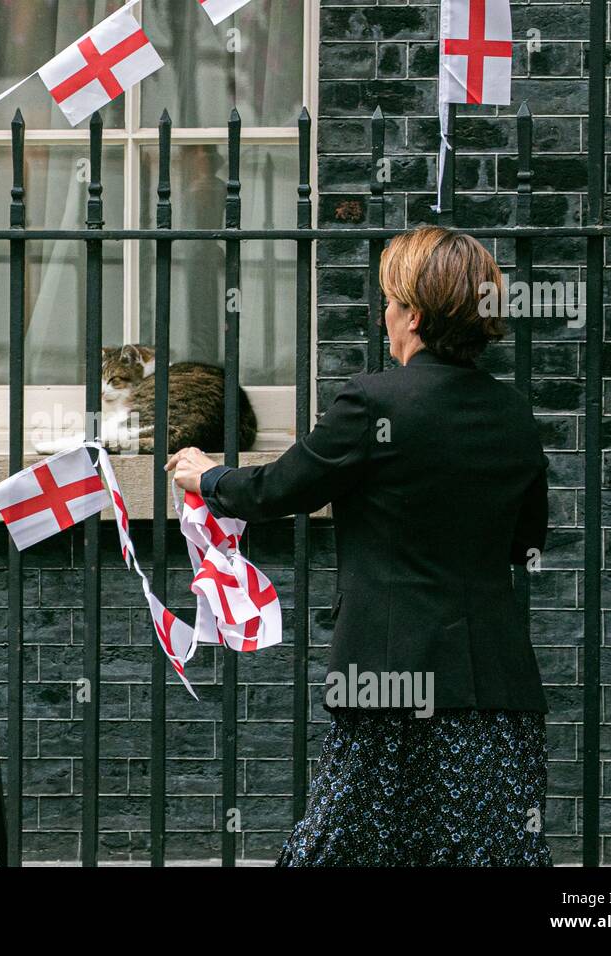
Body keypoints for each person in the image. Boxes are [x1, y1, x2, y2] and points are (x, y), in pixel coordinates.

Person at [165, 226, 553, 866]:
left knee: (340, 847)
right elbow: (524, 540)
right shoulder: (513, 413)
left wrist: (207, 477)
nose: (384, 316)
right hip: (496, 684)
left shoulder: (373, 400)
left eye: (391, 303)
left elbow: (278, 489)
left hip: (390, 675)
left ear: (416, 316)